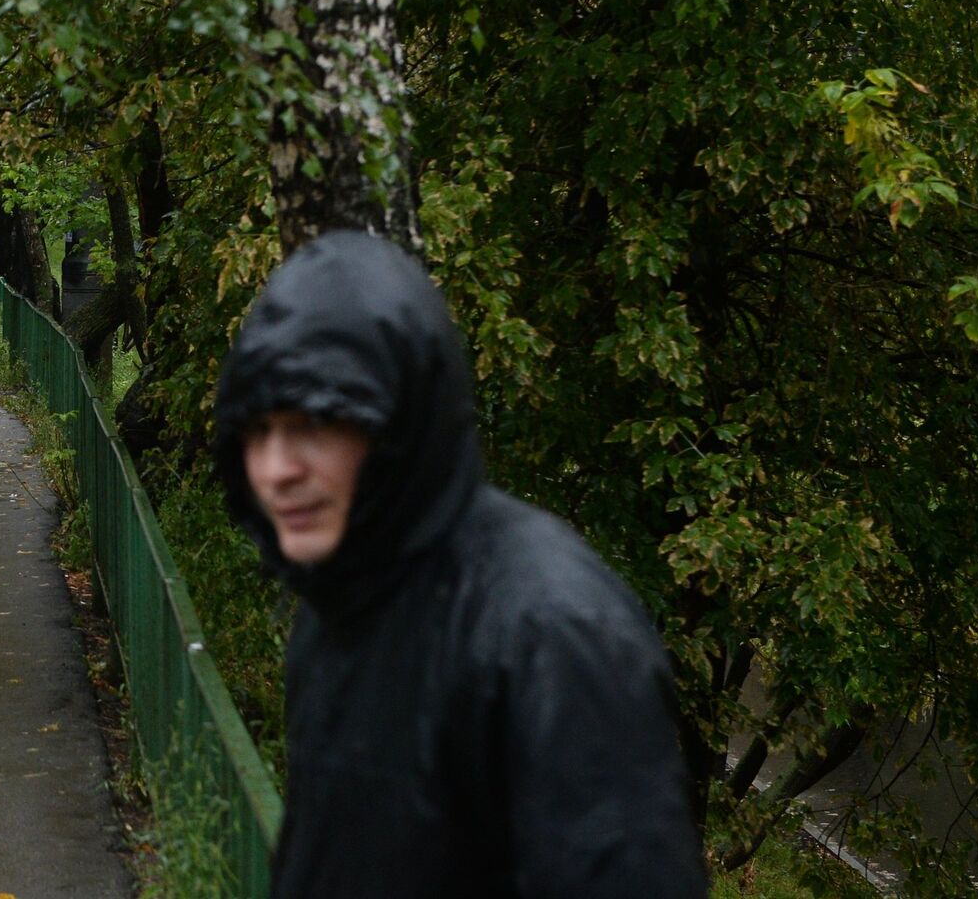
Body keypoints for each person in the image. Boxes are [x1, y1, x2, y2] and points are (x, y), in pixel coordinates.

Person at [211, 230, 707, 898]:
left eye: (316, 425)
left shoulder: (551, 633)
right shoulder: (337, 603)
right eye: (258, 432)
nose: (277, 471)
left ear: (399, 425)